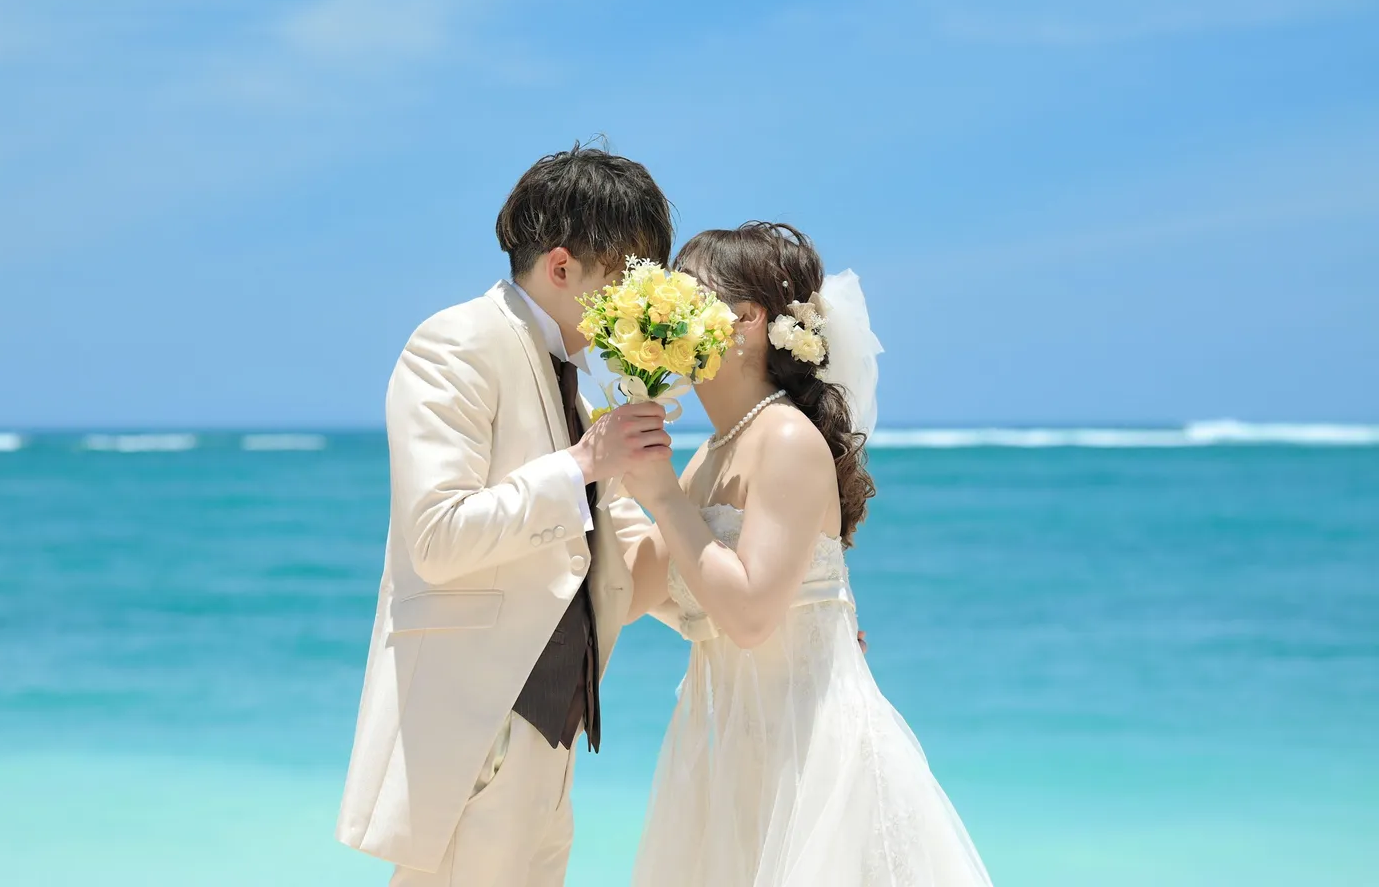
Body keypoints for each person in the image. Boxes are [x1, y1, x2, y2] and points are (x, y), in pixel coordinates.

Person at [335, 143, 675, 886]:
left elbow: (618, 562)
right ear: (563, 267)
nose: (636, 300)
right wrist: (582, 465)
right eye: (624, 276)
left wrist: (778, 618)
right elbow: (436, 536)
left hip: (555, 734)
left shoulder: (579, 381)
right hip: (479, 726)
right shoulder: (455, 342)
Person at [623, 222, 995, 886]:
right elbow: (633, 592)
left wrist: (662, 497)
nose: (662, 315)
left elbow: (749, 617)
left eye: (684, 298)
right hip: (738, 763)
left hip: (817, 764)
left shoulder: (786, 439)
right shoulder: (711, 454)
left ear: (747, 321)